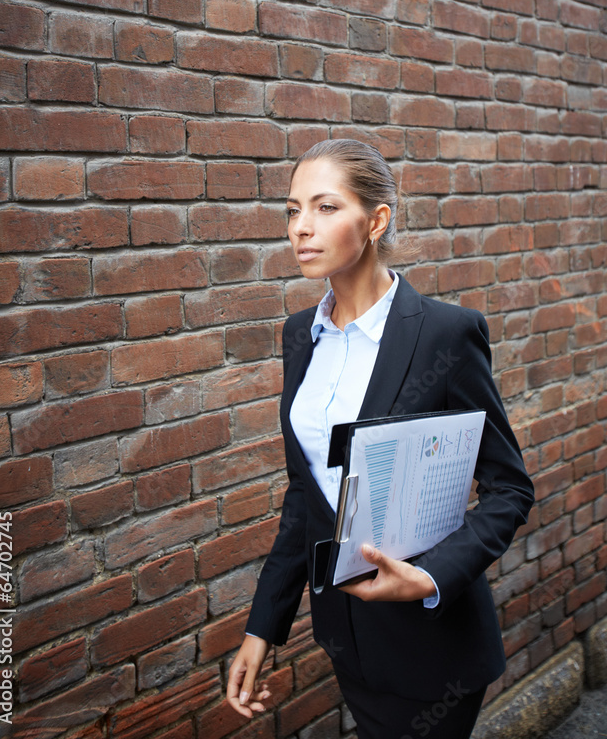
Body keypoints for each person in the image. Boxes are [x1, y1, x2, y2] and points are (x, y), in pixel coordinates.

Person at [226, 139, 534, 739]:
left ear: (376, 221)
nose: (301, 229)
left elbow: (509, 489)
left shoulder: (445, 334)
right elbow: (306, 499)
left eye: (325, 208)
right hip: (348, 640)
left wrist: (431, 577)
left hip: (433, 645)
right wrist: (261, 630)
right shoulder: (300, 336)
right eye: (292, 211)